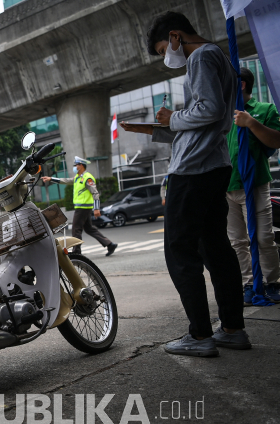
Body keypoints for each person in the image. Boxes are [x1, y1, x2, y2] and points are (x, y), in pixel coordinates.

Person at [120, 11, 248, 356]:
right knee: (215, 249)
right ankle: (233, 328)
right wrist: (152, 128)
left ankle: (200, 335)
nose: (167, 57)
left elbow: (207, 110)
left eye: (165, 49)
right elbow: (207, 121)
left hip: (191, 170)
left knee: (179, 251)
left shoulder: (202, 56)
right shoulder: (219, 57)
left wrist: (172, 117)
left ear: (176, 36)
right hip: (213, 163)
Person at [224, 67, 280, 305]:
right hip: (225, 188)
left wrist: (251, 123)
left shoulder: (264, 110)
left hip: (254, 184)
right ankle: (248, 283)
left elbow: (276, 141)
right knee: (237, 242)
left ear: (242, 85)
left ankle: (272, 282)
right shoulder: (223, 113)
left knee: (263, 237)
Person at [42, 157, 118, 255]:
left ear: (81, 165)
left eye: (76, 165)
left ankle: (76, 251)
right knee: (89, 229)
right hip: (82, 207)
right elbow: (66, 180)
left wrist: (96, 208)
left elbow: (95, 193)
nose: (75, 167)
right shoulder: (78, 177)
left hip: (83, 208)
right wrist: (51, 179)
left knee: (76, 229)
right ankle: (109, 244)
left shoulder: (87, 177)